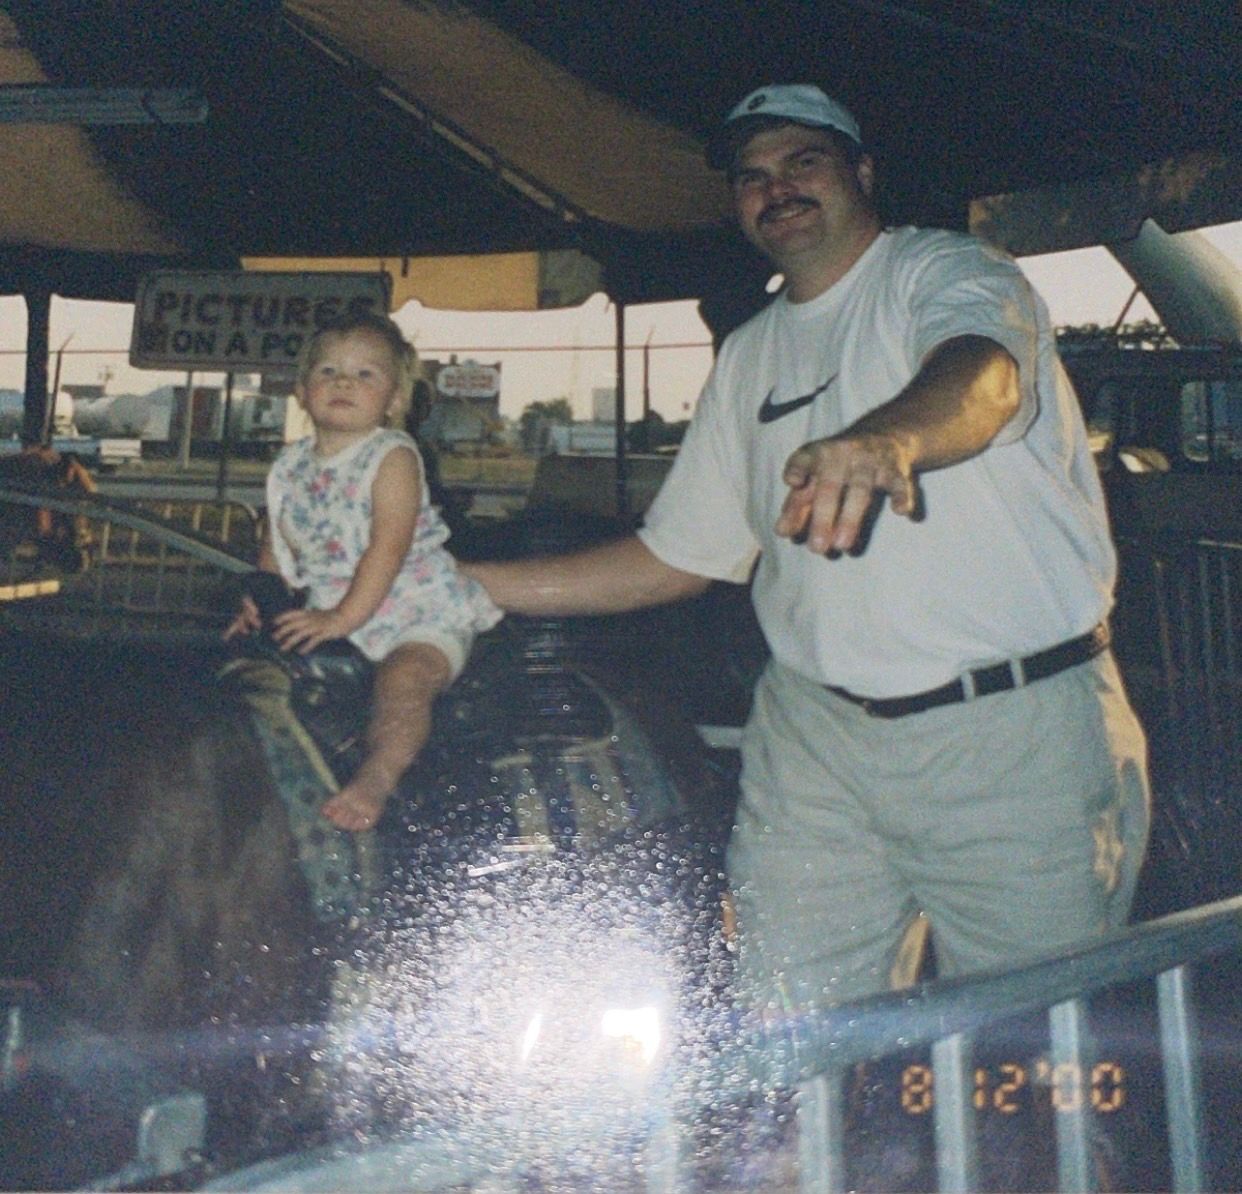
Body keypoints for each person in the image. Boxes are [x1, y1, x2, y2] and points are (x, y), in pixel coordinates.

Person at [463, 84, 1150, 1011]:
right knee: (785, 1035)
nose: (775, 188)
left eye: (802, 162)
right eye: (752, 176)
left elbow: (981, 381)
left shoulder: (947, 274)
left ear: (862, 172)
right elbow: (676, 558)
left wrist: (889, 441)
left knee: (1041, 1057)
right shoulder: (748, 354)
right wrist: (457, 582)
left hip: (1009, 738)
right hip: (814, 744)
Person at [226, 311, 501, 832]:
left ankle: (379, 776)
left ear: (394, 399)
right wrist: (261, 602)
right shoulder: (288, 465)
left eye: (365, 374)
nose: (343, 382)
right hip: (330, 606)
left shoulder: (392, 456)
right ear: (302, 392)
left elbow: (387, 549)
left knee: (405, 680)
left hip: (413, 607)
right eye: (328, 371)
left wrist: (341, 620)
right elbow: (277, 544)